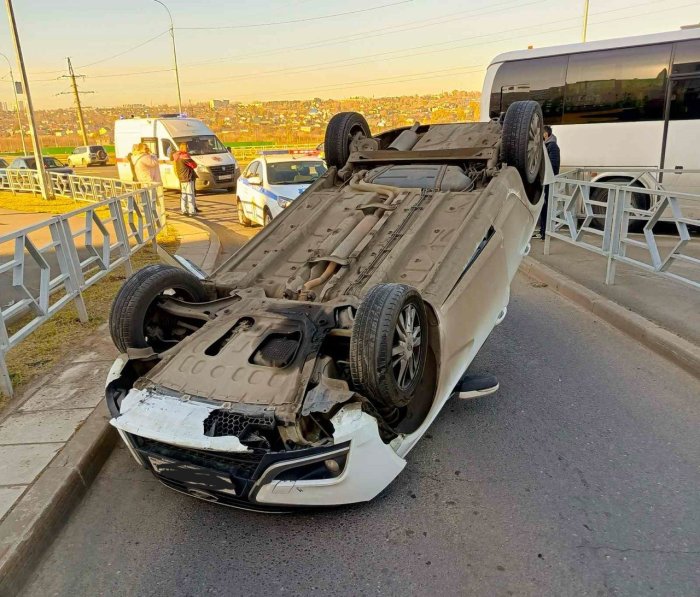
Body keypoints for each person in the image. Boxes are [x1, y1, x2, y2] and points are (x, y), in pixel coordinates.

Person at [537, 125, 561, 239]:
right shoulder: (546, 145)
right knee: (543, 207)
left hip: (547, 181)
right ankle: (543, 231)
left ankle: (545, 232)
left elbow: (554, 166)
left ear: (545, 134)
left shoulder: (552, 146)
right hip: (543, 181)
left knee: (546, 207)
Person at [172, 142, 199, 216]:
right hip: (188, 177)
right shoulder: (185, 156)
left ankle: (183, 210)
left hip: (181, 177)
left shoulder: (176, 156)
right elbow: (194, 165)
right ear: (184, 148)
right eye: (187, 147)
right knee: (190, 194)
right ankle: (191, 211)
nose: (188, 148)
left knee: (183, 194)